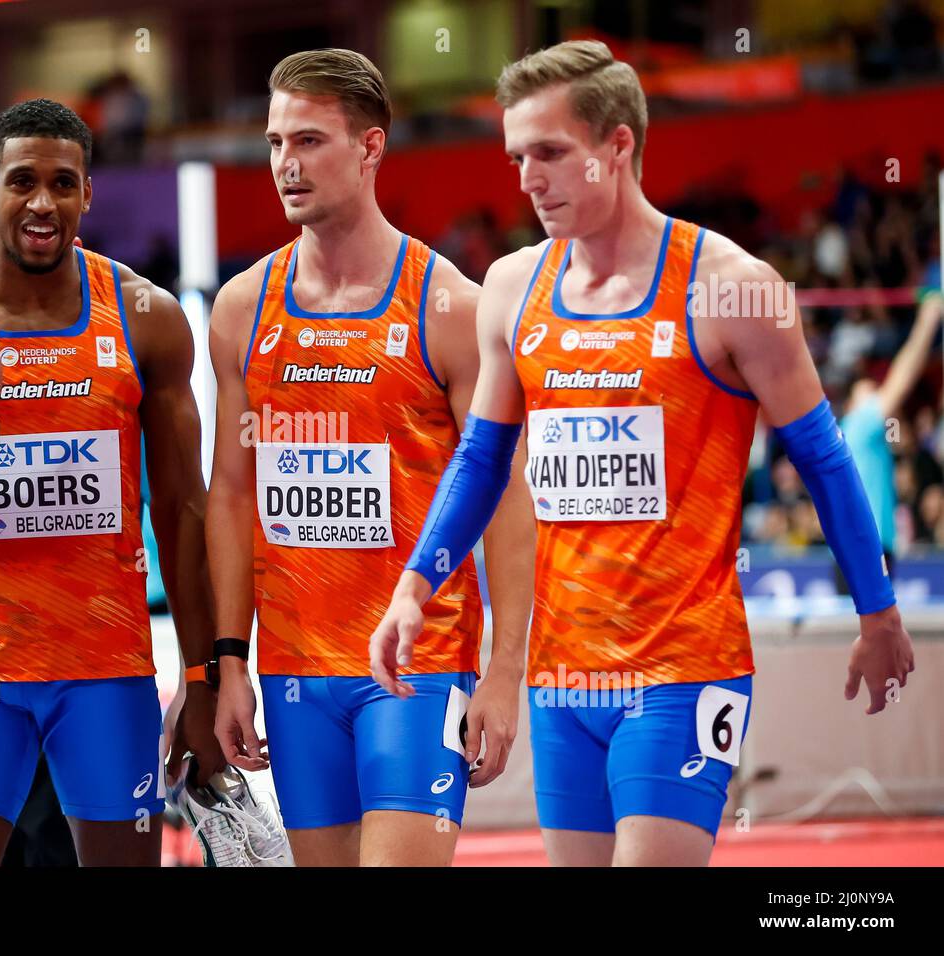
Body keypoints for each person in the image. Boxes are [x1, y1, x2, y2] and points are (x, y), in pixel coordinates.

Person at [370, 39, 916, 867]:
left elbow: (825, 460)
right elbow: (482, 462)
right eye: (518, 156)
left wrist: (876, 612)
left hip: (684, 669)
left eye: (550, 153)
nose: (527, 179)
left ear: (617, 147)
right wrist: (416, 584)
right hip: (563, 681)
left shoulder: (731, 289)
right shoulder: (514, 289)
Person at [0, 98, 221, 866]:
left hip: (103, 670)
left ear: (87, 194)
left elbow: (184, 513)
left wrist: (204, 676)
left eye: (64, 183)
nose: (41, 202)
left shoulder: (145, 318)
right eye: (22, 180)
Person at [207, 49, 529, 867]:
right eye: (277, 142)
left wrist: (504, 671)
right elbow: (232, 497)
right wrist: (228, 663)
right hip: (293, 674)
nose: (286, 163)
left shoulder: (451, 306)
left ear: (371, 147)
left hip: (416, 669)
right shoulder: (244, 309)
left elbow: (509, 501)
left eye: (310, 141)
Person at [837, 289, 943, 581]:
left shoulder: (860, 434)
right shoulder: (858, 425)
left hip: (867, 545)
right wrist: (928, 319)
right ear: (851, 403)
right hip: (865, 547)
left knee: (873, 626)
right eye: (868, 389)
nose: (875, 393)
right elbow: (903, 376)